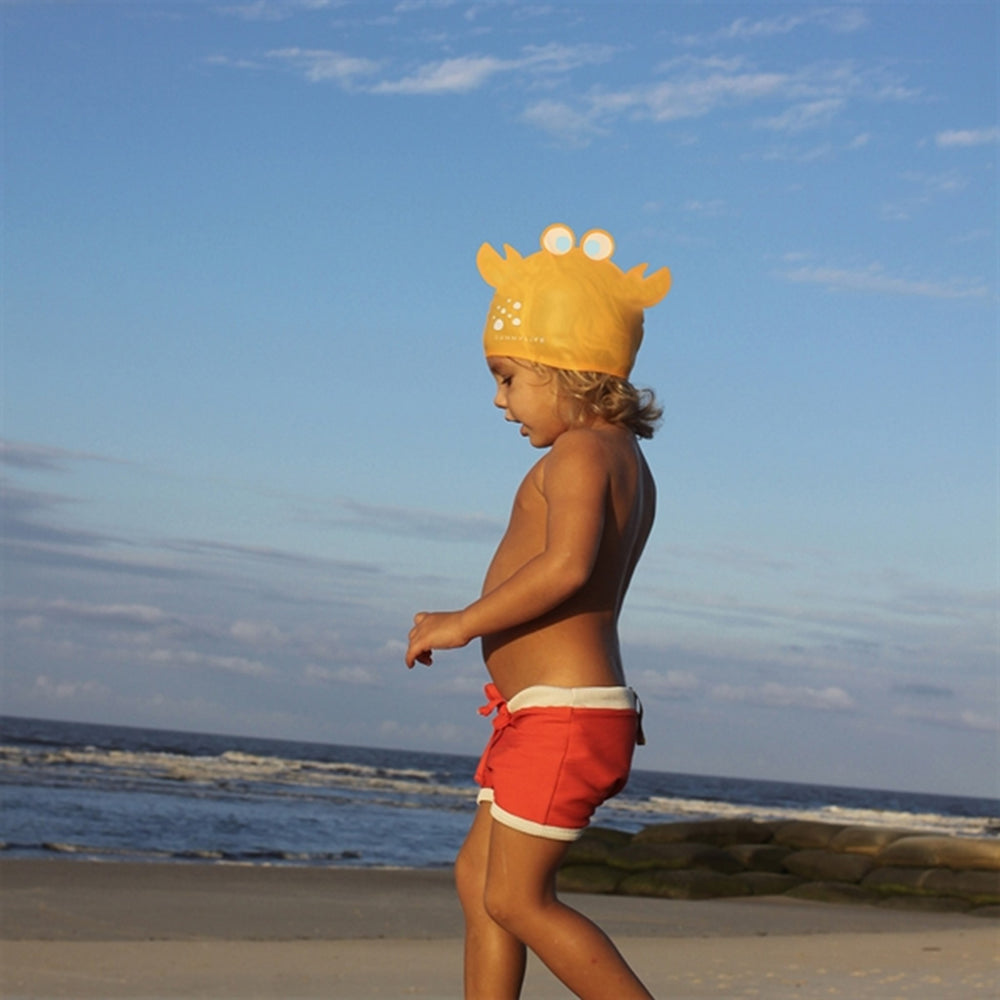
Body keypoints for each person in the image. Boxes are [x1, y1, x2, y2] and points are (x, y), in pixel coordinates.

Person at [405, 223, 671, 999]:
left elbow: (567, 567)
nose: (500, 399)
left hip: (562, 714)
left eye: (508, 377)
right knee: (478, 879)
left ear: (564, 371)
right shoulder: (621, 457)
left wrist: (463, 621)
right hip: (544, 713)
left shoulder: (583, 453)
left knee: (518, 899)